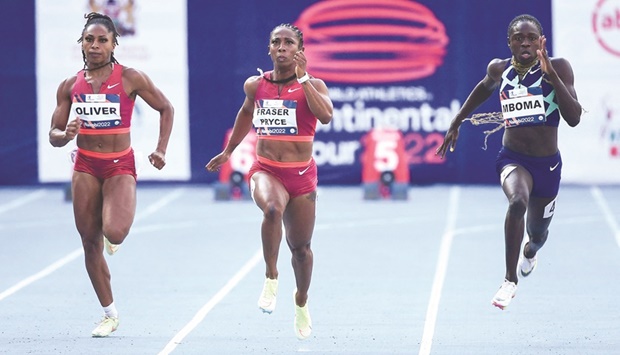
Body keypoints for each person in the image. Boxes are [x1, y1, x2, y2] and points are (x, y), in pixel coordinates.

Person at [436, 14, 581, 310]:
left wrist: (550, 73)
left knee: (538, 234)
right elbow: (483, 87)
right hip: (513, 158)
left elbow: (574, 118)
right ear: (510, 43)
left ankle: (530, 251)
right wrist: (457, 120)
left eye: (531, 38)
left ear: (541, 41)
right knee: (517, 202)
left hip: (548, 166)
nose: (525, 43)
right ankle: (509, 280)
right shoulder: (499, 69)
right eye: (519, 38)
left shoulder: (560, 67)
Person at [49, 12, 174, 336]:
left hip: (119, 164)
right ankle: (109, 313)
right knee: (90, 242)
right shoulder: (70, 85)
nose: (94, 45)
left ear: (114, 44)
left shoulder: (130, 78)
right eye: (89, 39)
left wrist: (160, 149)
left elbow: (166, 108)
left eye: (102, 40)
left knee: (114, 233)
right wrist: (66, 135)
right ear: (82, 43)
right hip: (86, 165)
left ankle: (111, 226)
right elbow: (54, 134)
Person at [205, 23, 333, 339]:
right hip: (266, 169)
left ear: (299, 51)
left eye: (289, 43)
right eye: (276, 42)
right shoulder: (255, 85)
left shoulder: (314, 84)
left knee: (301, 249)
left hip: (301, 176)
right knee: (272, 210)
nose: (281, 47)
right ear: (269, 49)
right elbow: (245, 115)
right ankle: (271, 277)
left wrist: (304, 80)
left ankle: (301, 300)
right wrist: (228, 152)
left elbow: (326, 116)